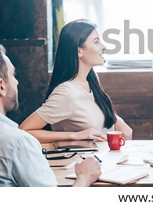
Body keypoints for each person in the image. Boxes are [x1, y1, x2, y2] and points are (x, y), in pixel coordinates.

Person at [0, 44, 101, 186]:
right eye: (13, 75)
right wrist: (85, 176)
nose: (16, 82)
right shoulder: (18, 143)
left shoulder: (92, 82)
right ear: (1, 86)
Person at [20, 19, 132, 143]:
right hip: (79, 161)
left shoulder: (91, 81)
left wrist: (117, 120)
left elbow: (92, 110)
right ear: (79, 51)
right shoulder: (66, 92)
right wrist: (74, 135)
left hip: (103, 159)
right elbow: (24, 131)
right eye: (96, 42)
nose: (103, 47)